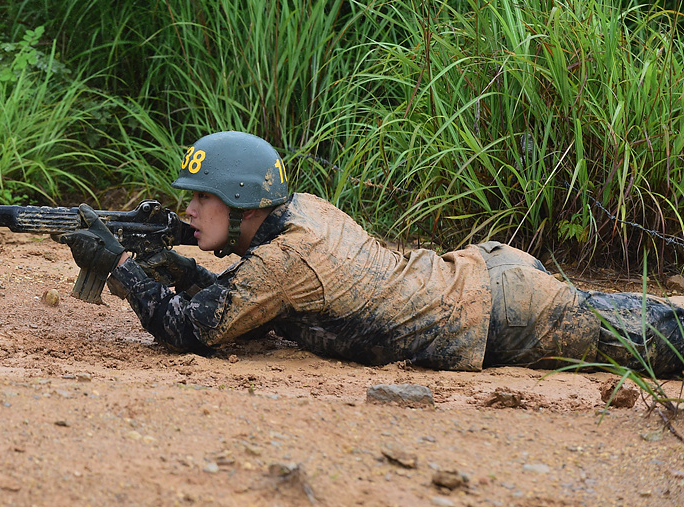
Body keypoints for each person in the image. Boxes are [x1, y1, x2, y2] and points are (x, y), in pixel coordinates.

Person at [58, 131, 684, 377]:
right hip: (487, 283)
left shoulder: (284, 259)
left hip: (500, 311)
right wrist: (183, 268)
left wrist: (121, 267)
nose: (189, 210)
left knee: (663, 339)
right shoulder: (298, 212)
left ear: (243, 202)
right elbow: (252, 305)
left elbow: (190, 331)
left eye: (201, 199)